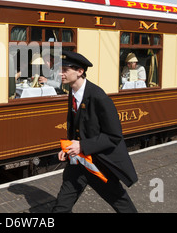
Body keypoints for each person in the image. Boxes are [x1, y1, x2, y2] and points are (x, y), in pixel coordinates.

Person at [52, 50, 138, 213]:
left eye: (65, 69)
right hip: (77, 162)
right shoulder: (73, 91)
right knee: (61, 206)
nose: (60, 73)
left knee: (121, 203)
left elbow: (114, 136)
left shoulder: (99, 97)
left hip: (97, 163)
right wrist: (69, 148)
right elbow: (77, 127)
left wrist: (82, 145)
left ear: (79, 71)